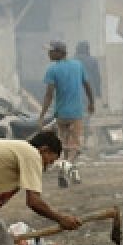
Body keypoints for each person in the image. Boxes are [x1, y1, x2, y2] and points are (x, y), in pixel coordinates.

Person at [37, 40, 94, 180]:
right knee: (75, 146)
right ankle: (66, 167)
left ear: (59, 53)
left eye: (51, 51)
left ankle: (69, 172)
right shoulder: (78, 65)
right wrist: (91, 103)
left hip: (61, 114)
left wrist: (42, 115)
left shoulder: (52, 70)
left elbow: (49, 95)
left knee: (63, 144)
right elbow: (87, 86)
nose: (49, 54)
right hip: (76, 113)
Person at [73, 41, 101, 155]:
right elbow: (97, 77)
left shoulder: (72, 61)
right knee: (87, 117)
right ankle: (83, 141)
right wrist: (98, 92)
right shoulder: (92, 61)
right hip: (88, 91)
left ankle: (76, 142)